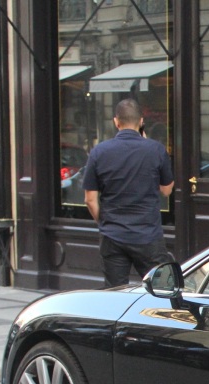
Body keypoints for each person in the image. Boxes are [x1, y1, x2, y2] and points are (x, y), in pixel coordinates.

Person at [82, 99, 175, 285]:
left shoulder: (99, 152)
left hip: (112, 235)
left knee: (115, 293)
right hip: (147, 234)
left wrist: (105, 221)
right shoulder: (156, 149)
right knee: (162, 289)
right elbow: (166, 190)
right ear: (141, 121)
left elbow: (90, 200)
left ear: (116, 122)